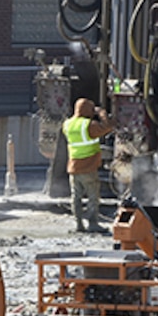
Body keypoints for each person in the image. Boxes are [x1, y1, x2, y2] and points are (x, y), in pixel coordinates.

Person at [62, 97, 115, 233]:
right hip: (88, 167)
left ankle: (78, 224)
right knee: (93, 197)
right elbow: (107, 127)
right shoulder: (88, 125)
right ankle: (93, 224)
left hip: (73, 167)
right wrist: (101, 113)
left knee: (76, 197)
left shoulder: (67, 124)